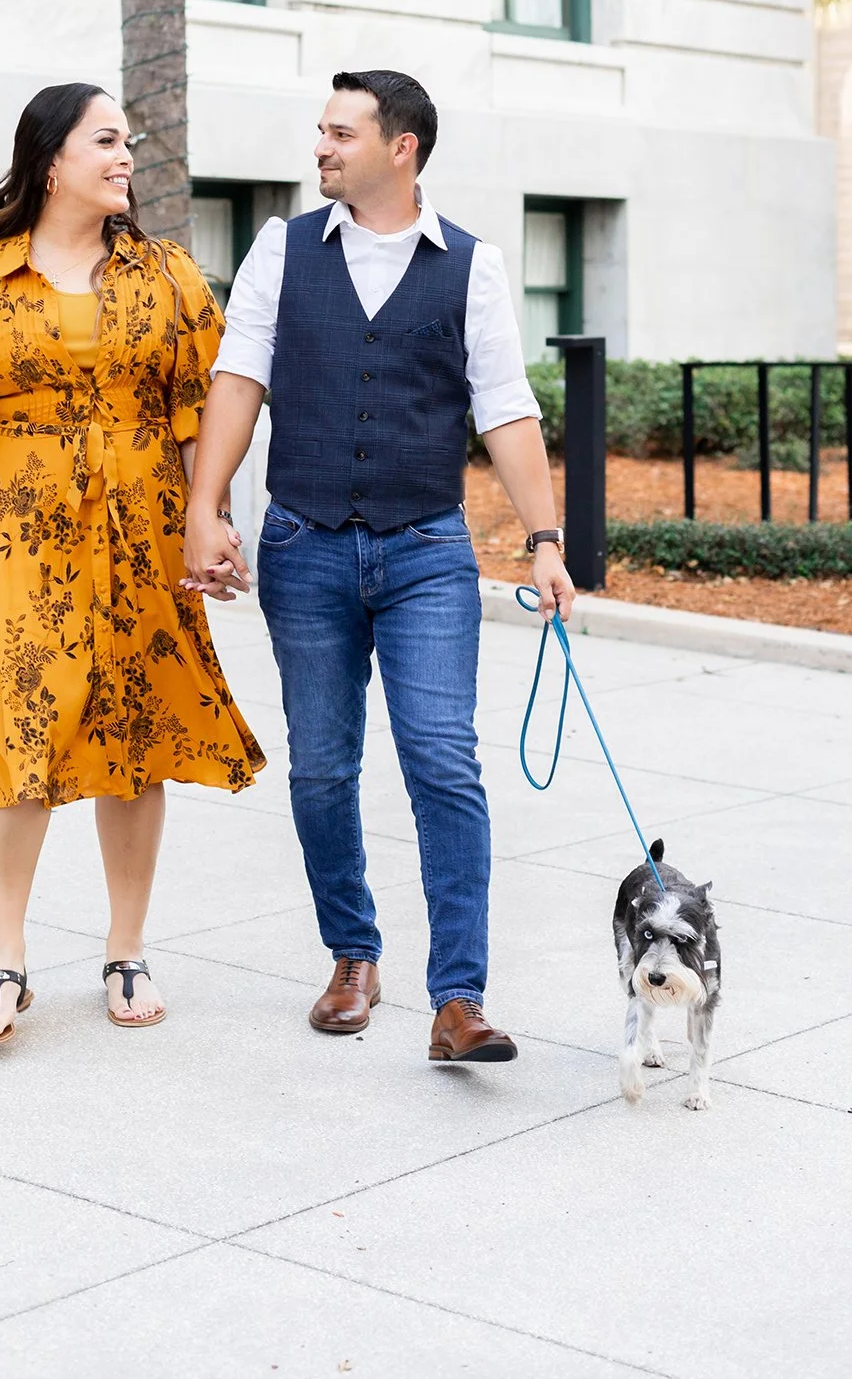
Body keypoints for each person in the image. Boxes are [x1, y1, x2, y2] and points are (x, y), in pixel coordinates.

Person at [183, 70, 573, 1063]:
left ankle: (458, 999)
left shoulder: (469, 266)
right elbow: (239, 377)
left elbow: (505, 409)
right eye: (319, 129)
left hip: (425, 554)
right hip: (303, 545)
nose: (319, 147)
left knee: (442, 763)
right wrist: (204, 506)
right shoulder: (281, 248)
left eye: (339, 132)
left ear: (400, 148)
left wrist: (546, 540)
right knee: (320, 768)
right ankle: (351, 954)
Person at [0, 83, 265, 1044]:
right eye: (107, 141)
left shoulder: (168, 276)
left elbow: (208, 413)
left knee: (132, 735)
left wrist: (206, 517)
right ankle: (4, 959)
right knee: (16, 723)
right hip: (14, 528)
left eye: (127, 141)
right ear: (52, 162)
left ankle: (126, 946)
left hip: (141, 527)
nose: (127, 156)